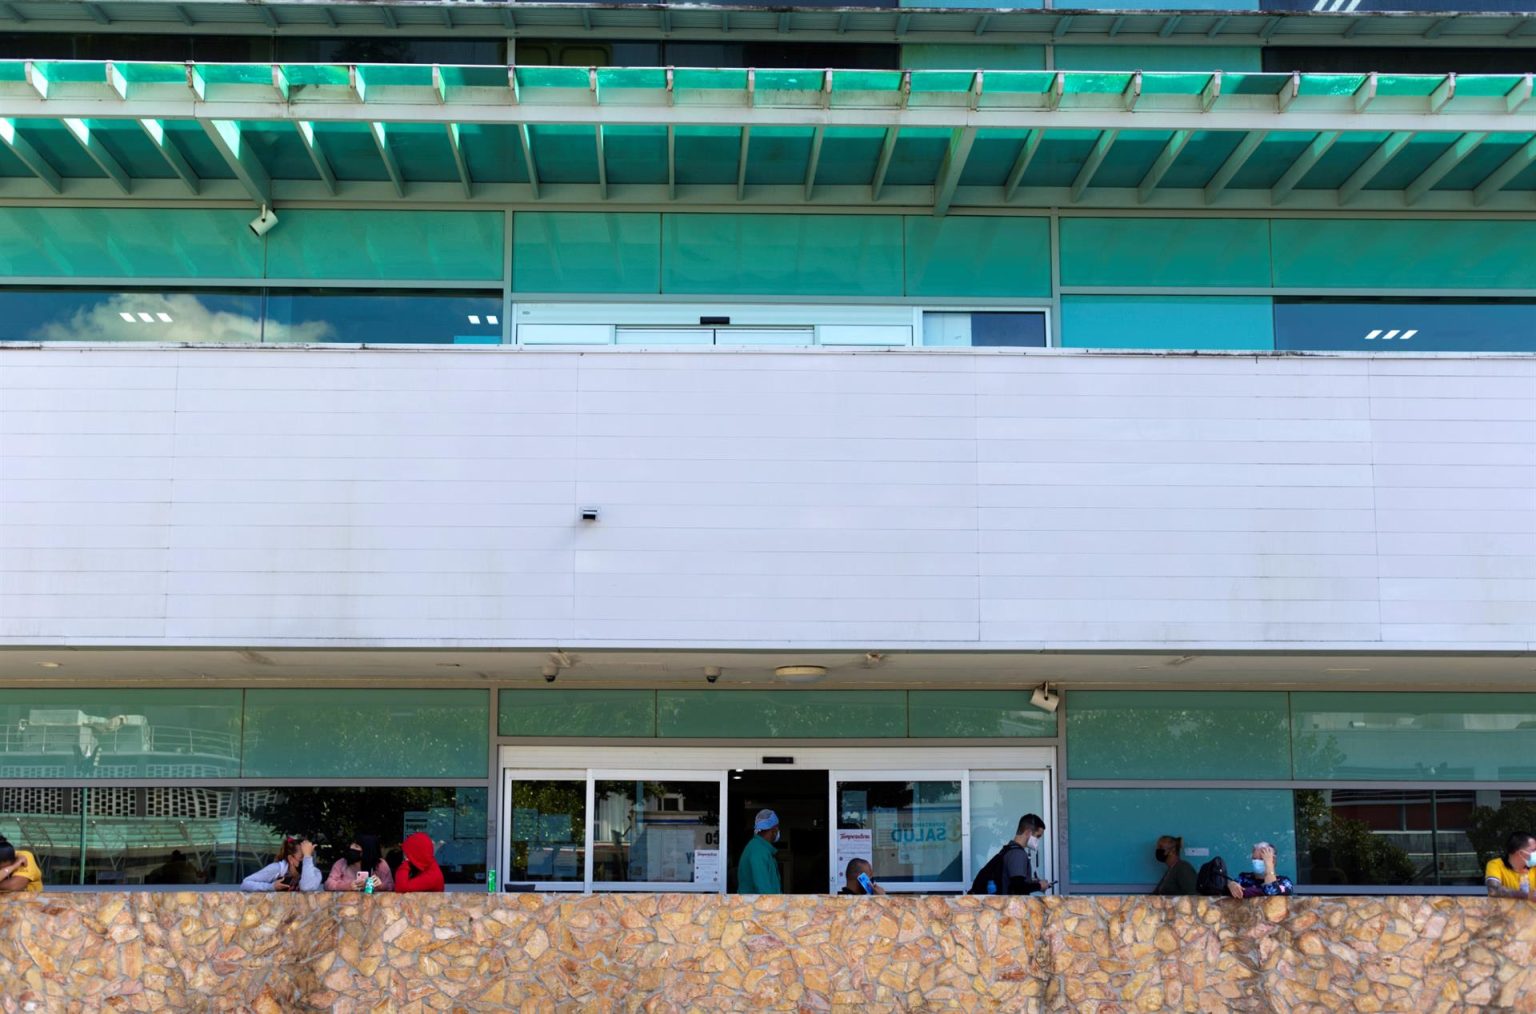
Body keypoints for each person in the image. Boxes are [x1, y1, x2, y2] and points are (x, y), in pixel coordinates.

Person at [969, 814, 1049, 895]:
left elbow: (1011, 880)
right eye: (1037, 836)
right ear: (1028, 832)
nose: (1038, 840)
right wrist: (1039, 886)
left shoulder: (1009, 849)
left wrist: (1032, 882)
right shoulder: (1018, 854)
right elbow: (1018, 889)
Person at [241, 836, 323, 893]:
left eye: (309, 856)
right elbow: (245, 883)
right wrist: (271, 887)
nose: (305, 860)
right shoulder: (277, 869)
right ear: (291, 859)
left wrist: (307, 857)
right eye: (302, 857)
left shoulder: (315, 873)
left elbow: (306, 887)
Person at [325, 834, 393, 893]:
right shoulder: (342, 862)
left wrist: (381, 885)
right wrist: (347, 886)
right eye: (352, 844)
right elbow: (328, 884)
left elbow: (391, 886)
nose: (351, 847)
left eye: (356, 846)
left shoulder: (380, 864)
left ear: (367, 851)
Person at [736, 809, 782, 895]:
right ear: (774, 830)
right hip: (758, 907)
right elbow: (764, 891)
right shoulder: (758, 852)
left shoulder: (760, 849)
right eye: (777, 828)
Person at [1228, 841, 1294, 898]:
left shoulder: (1284, 882)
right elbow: (1228, 886)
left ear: (1273, 861)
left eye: (1261, 859)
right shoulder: (1244, 878)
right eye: (1254, 859)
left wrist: (1269, 866)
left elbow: (1271, 891)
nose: (1256, 862)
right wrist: (1231, 884)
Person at [1484, 831, 1536, 899]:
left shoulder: (1534, 867)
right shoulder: (1496, 865)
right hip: (1502, 909)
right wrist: (1526, 895)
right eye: (1533, 850)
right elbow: (1493, 890)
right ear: (1520, 853)